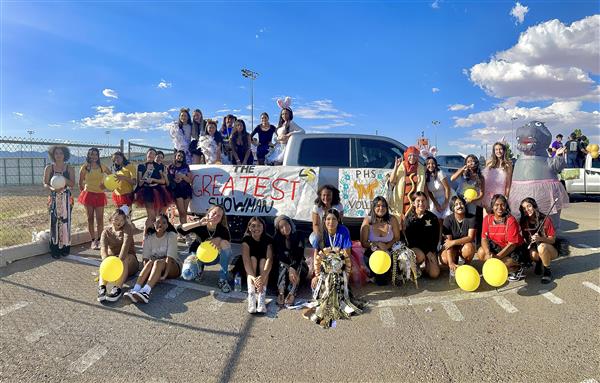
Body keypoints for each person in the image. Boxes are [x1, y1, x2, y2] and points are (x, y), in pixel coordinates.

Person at [125, 214, 181, 303]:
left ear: (167, 225)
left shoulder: (171, 235)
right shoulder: (149, 237)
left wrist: (164, 275)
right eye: (158, 222)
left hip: (173, 267)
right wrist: (147, 273)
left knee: (158, 262)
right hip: (156, 266)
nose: (160, 225)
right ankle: (135, 289)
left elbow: (169, 258)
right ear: (154, 224)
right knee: (151, 262)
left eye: (164, 223)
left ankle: (146, 292)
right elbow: (145, 259)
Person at [177, 205, 233, 293]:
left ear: (221, 219)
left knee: (225, 243)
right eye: (214, 213)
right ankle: (199, 268)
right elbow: (180, 229)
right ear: (208, 213)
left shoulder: (223, 230)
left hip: (214, 258)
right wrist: (198, 223)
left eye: (219, 216)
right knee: (187, 274)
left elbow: (228, 246)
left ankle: (222, 279)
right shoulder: (200, 224)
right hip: (197, 256)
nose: (215, 216)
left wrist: (219, 239)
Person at [477, 194, 525, 281]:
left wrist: (497, 258)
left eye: (502, 205)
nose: (500, 208)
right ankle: (503, 267)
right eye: (496, 205)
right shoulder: (487, 219)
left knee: (500, 265)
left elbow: (512, 245)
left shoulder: (511, 220)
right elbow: (484, 238)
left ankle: (517, 267)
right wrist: (488, 253)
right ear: (492, 206)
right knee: (481, 252)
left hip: (513, 250)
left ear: (506, 206)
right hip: (498, 247)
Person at [97, 208, 139, 302]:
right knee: (105, 262)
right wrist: (106, 262)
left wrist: (118, 262)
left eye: (122, 220)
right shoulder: (106, 232)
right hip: (113, 261)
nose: (119, 222)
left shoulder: (127, 228)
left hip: (129, 261)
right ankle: (102, 288)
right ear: (111, 219)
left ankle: (117, 288)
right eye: (116, 219)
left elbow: (125, 245)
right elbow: (103, 248)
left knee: (124, 259)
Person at [359, 196, 401, 285]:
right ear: (373, 207)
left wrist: (386, 247)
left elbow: (397, 237)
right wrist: (376, 244)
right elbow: (363, 242)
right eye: (378, 206)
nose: (381, 208)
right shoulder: (367, 221)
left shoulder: (392, 219)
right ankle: (374, 274)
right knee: (380, 282)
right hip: (373, 251)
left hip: (389, 250)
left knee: (384, 280)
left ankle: (391, 272)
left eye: (383, 206)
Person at [43, 145, 75, 258]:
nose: (59, 155)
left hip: (66, 199)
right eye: (56, 153)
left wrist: (62, 179)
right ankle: (55, 249)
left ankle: (65, 247)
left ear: (65, 155)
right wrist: (53, 188)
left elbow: (72, 184)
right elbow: (45, 183)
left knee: (66, 222)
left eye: (61, 153)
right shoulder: (49, 168)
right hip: (53, 199)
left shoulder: (69, 168)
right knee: (54, 222)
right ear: (53, 155)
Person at [311, 208, 352, 289]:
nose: (331, 222)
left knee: (340, 287)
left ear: (338, 220)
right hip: (324, 264)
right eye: (328, 219)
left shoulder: (344, 230)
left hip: (340, 263)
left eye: (334, 219)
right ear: (324, 220)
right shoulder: (320, 232)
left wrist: (345, 274)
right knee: (318, 287)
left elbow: (347, 254)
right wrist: (317, 275)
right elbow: (316, 254)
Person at [78, 147, 111, 250]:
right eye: (91, 154)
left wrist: (105, 186)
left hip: (100, 195)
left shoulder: (102, 166)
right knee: (90, 219)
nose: (94, 157)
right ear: (88, 155)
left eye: (95, 154)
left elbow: (111, 177)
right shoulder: (85, 167)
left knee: (100, 219)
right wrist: (84, 191)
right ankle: (93, 241)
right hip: (88, 195)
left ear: (98, 156)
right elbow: (80, 182)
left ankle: (100, 240)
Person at [519, 197, 558, 284]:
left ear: (534, 206)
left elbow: (552, 240)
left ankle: (547, 271)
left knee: (542, 247)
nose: (527, 210)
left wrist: (540, 238)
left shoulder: (545, 219)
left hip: (550, 249)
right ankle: (539, 262)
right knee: (532, 254)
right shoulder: (523, 222)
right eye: (524, 208)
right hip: (534, 247)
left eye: (529, 206)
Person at [403, 192, 440, 279]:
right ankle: (415, 266)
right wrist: (427, 252)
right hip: (417, 249)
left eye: (423, 201)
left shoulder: (433, 217)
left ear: (427, 202)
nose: (421, 203)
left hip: (430, 249)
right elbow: (411, 240)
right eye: (418, 201)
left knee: (434, 274)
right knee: (418, 255)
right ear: (413, 203)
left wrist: (431, 253)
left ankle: (427, 265)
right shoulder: (409, 219)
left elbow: (435, 238)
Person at [273, 215, 308, 306]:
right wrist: (289, 268)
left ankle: (292, 292)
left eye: (286, 224)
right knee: (282, 265)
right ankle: (281, 292)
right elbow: (281, 257)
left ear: (290, 224)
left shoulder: (300, 234)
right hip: (284, 270)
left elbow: (299, 255)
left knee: (298, 266)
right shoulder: (277, 239)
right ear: (279, 230)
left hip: (299, 268)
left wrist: (292, 268)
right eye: (281, 227)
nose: (285, 228)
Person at [241, 217, 273, 313]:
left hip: (264, 271)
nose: (256, 228)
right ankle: (251, 294)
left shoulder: (268, 239)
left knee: (263, 260)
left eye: (259, 225)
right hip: (249, 270)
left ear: (263, 227)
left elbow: (269, 259)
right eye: (253, 226)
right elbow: (246, 260)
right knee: (253, 259)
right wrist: (254, 278)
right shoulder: (246, 239)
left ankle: (261, 296)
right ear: (249, 227)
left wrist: (262, 277)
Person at [134, 148, 170, 231]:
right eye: (150, 153)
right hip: (147, 192)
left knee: (157, 216)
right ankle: (145, 237)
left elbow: (163, 180)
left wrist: (153, 179)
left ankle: (154, 235)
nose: (151, 155)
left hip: (158, 191)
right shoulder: (141, 166)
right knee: (151, 216)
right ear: (147, 154)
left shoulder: (158, 166)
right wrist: (147, 171)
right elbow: (140, 183)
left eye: (153, 154)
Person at [388, 146, 426, 220]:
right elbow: (392, 181)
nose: (412, 157)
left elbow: (422, 186)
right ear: (406, 156)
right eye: (410, 155)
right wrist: (396, 167)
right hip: (400, 203)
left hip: (414, 203)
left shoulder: (420, 168)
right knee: (399, 224)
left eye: (414, 155)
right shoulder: (401, 166)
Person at [440, 195, 477, 271]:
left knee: (469, 248)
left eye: (461, 203)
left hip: (464, 246)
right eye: (456, 205)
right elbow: (448, 243)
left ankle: (466, 266)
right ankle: (454, 261)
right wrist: (450, 263)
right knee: (445, 259)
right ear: (452, 208)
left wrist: (453, 242)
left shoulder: (471, 218)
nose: (459, 206)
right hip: (452, 248)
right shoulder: (447, 220)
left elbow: (470, 237)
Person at [167, 150, 193, 241]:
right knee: (181, 212)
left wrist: (183, 176)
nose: (180, 158)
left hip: (186, 190)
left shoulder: (186, 166)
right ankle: (185, 234)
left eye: (182, 156)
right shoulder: (170, 166)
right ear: (175, 156)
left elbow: (190, 180)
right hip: (177, 191)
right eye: (178, 156)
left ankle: (183, 233)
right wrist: (175, 180)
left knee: (184, 213)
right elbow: (168, 179)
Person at [482, 142, 513, 215]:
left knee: (499, 217)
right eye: (496, 149)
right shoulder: (489, 162)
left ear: (504, 150)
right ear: (494, 151)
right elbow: (484, 178)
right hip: (487, 195)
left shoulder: (508, 164)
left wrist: (506, 196)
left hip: (500, 194)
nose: (498, 151)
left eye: (500, 149)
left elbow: (508, 183)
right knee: (487, 218)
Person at [424, 156, 452, 222]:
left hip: (446, 197)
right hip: (435, 200)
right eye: (428, 164)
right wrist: (435, 203)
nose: (431, 165)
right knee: (437, 219)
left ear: (436, 164)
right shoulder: (425, 176)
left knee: (446, 219)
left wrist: (446, 203)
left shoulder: (440, 173)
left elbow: (447, 188)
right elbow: (429, 192)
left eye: (433, 163)